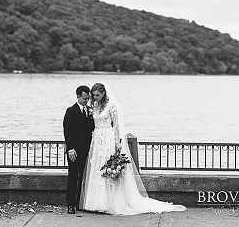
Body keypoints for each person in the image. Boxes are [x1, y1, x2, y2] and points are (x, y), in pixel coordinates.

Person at [79, 81, 186, 215]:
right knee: (97, 168)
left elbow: (116, 125)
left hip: (108, 138)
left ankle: (111, 203)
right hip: (96, 140)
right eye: (93, 95)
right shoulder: (93, 106)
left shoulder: (111, 106)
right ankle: (96, 202)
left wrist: (118, 143)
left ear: (103, 93)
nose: (95, 98)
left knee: (107, 167)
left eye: (97, 95)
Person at [63, 85, 94, 214]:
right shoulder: (71, 111)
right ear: (78, 97)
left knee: (83, 176)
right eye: (84, 98)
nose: (86, 101)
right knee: (73, 176)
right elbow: (67, 132)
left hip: (87, 149)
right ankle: (70, 204)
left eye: (88, 99)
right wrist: (70, 148)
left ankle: (79, 203)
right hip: (74, 150)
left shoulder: (90, 111)